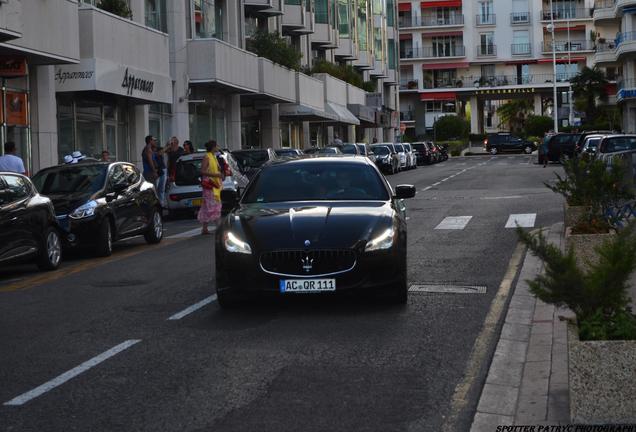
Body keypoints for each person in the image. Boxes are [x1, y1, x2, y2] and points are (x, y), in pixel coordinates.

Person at [198, 140, 223, 235]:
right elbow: (202, 171)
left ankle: (204, 228)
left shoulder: (214, 157)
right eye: (217, 146)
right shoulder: (207, 157)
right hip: (210, 185)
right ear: (213, 147)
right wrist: (215, 175)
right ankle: (219, 227)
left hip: (215, 185)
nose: (218, 147)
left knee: (207, 206)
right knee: (214, 205)